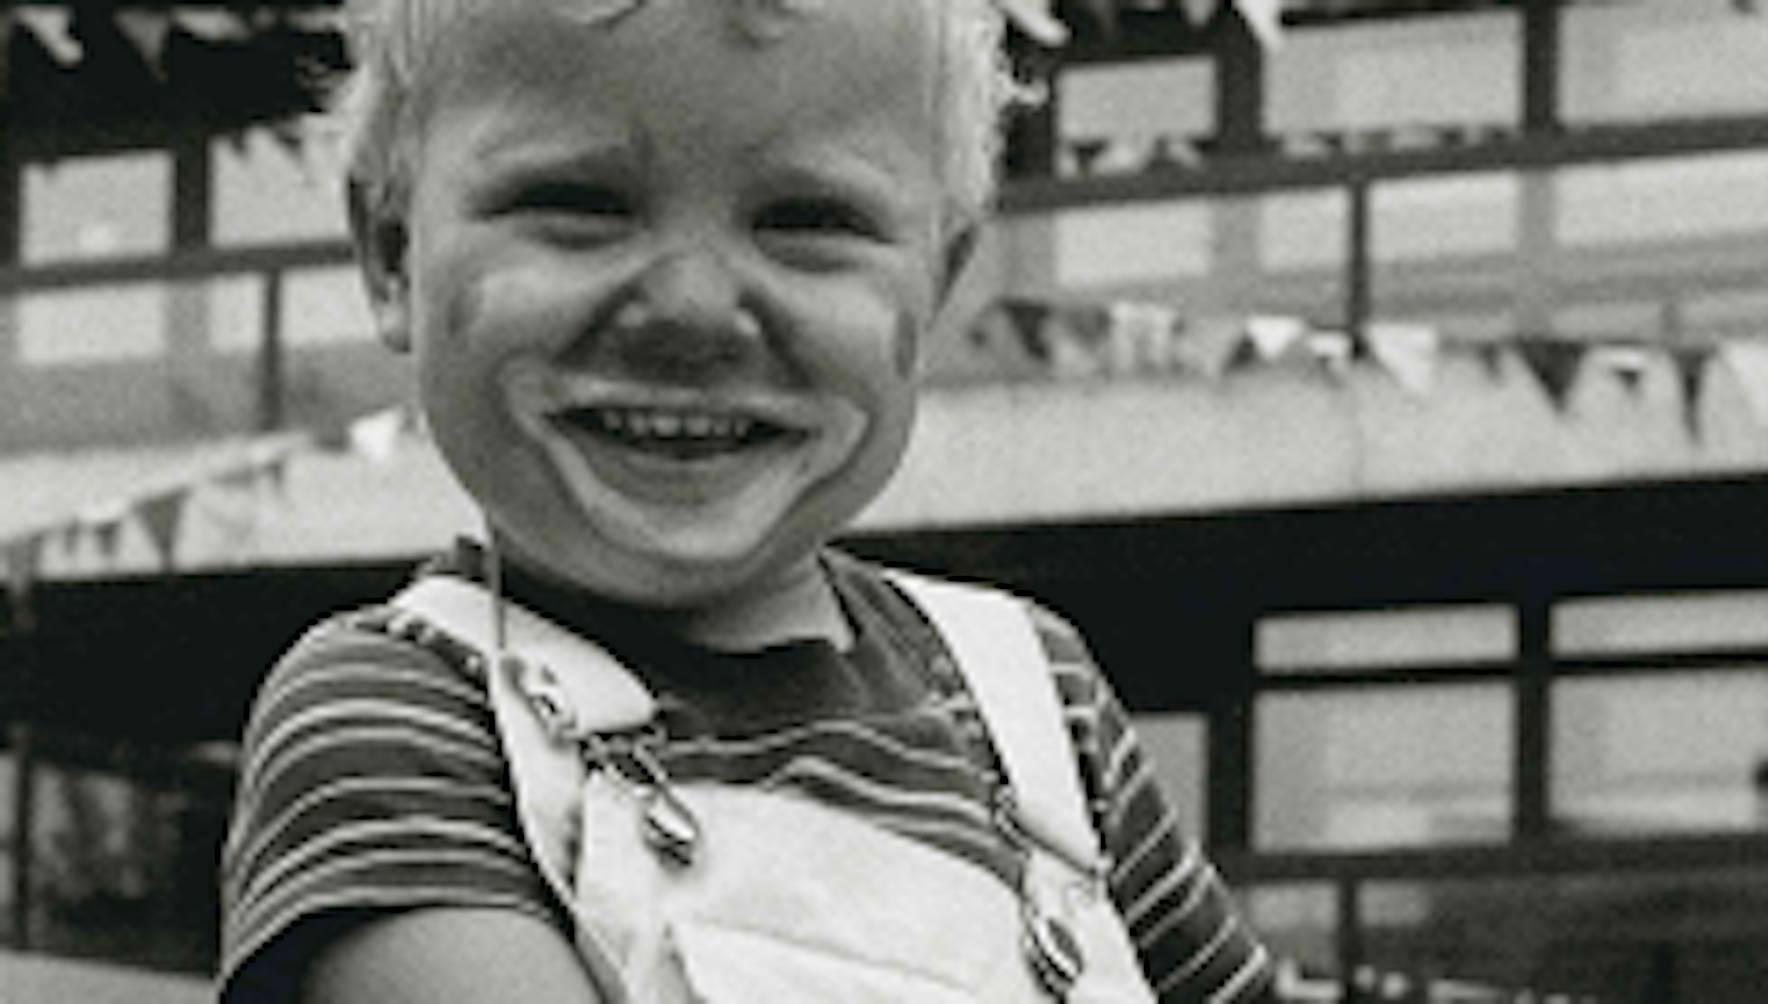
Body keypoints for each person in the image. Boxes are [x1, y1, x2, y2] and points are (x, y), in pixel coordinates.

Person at [218, 0, 1277, 1000]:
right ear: (391, 250)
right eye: (577, 204)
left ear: (935, 283)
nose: (692, 305)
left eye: (808, 218)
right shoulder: (391, 716)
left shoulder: (1038, 707)